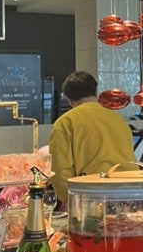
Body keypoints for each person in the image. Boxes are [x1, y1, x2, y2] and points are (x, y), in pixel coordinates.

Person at [49, 71, 135, 203]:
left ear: (69, 99)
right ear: (96, 92)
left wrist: (70, 200)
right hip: (129, 191)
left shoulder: (65, 123)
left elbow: (60, 170)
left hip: (92, 195)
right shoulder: (119, 119)